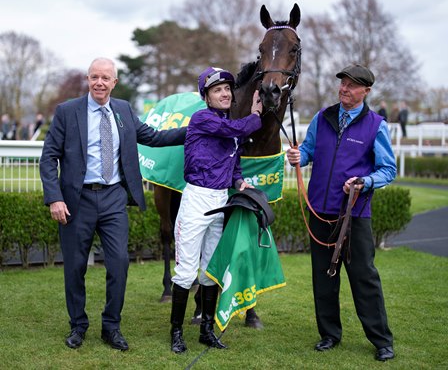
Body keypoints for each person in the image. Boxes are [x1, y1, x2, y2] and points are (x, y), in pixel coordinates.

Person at [40, 57, 186, 351]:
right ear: (88, 79)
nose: (99, 83)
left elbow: (153, 137)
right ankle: (78, 326)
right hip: (75, 201)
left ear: (114, 83)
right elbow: (48, 157)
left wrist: (194, 129)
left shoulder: (123, 110)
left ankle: (111, 327)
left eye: (106, 78)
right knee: (75, 267)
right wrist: (55, 197)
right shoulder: (68, 112)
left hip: (113, 198)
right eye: (95, 77)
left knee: (119, 263)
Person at [286, 64, 396, 362]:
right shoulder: (323, 118)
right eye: (342, 83)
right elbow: (308, 151)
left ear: (366, 91)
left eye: (351, 85)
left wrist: (365, 181)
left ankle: (381, 340)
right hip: (319, 212)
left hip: (354, 215)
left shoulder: (376, 125)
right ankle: (329, 334)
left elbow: (388, 169)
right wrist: (298, 156)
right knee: (323, 278)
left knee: (364, 277)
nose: (344, 89)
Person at [169, 67, 263, 354]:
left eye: (227, 89)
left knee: (211, 270)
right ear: (206, 97)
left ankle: (206, 330)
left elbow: (234, 164)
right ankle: (176, 332)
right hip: (197, 200)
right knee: (186, 272)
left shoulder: (230, 125)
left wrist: (240, 181)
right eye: (217, 90)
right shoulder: (202, 119)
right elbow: (236, 129)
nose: (224, 93)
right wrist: (256, 115)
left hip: (221, 200)